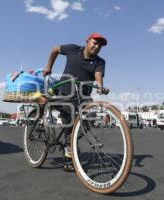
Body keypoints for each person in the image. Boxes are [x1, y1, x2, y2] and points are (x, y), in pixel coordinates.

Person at [43, 33, 110, 171]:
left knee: (87, 120)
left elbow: (98, 76)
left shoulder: (99, 62)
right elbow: (55, 49)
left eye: (100, 45)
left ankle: (70, 143)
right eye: (95, 42)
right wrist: (49, 67)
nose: (97, 46)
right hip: (64, 92)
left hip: (83, 96)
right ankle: (69, 155)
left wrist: (100, 86)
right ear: (87, 41)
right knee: (69, 124)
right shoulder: (73, 49)